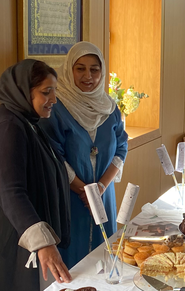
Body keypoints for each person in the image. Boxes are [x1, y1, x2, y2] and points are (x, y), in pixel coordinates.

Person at [0, 59, 72, 291]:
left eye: (55, 91)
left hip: (15, 231)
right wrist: (43, 243)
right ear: (22, 91)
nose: (53, 99)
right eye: (46, 92)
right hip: (0, 237)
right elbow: (11, 192)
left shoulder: (25, 121)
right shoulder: (6, 128)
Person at [40, 41, 128, 268]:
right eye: (80, 68)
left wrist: (100, 188)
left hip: (103, 195)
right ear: (69, 70)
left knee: (105, 254)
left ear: (102, 72)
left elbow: (121, 148)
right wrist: (84, 191)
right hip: (71, 198)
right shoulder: (57, 108)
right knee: (73, 262)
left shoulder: (109, 108)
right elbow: (53, 155)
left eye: (94, 69)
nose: (88, 76)